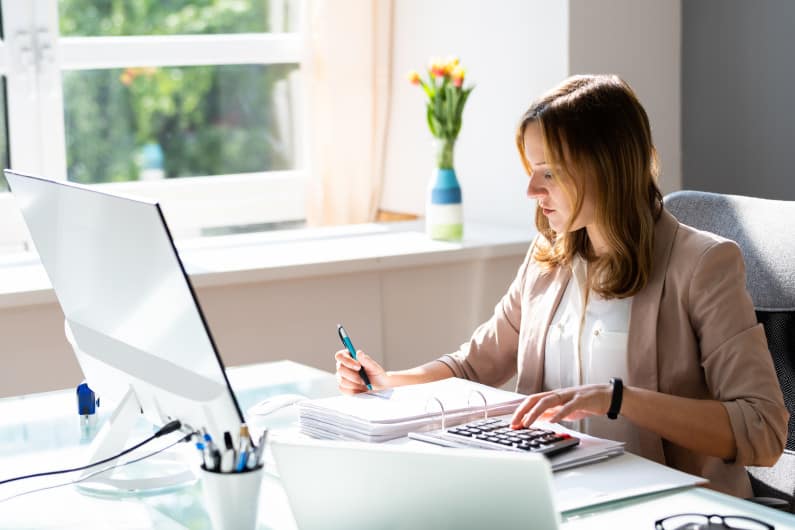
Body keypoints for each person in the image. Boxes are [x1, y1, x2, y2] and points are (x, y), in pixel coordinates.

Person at [333, 74, 788, 497]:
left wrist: (619, 401)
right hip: (560, 497)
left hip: (666, 506)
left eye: (549, 171)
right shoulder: (548, 257)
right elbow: (474, 367)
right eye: (531, 169)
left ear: (607, 167)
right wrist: (390, 382)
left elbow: (762, 429)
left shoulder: (703, 264)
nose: (532, 189)